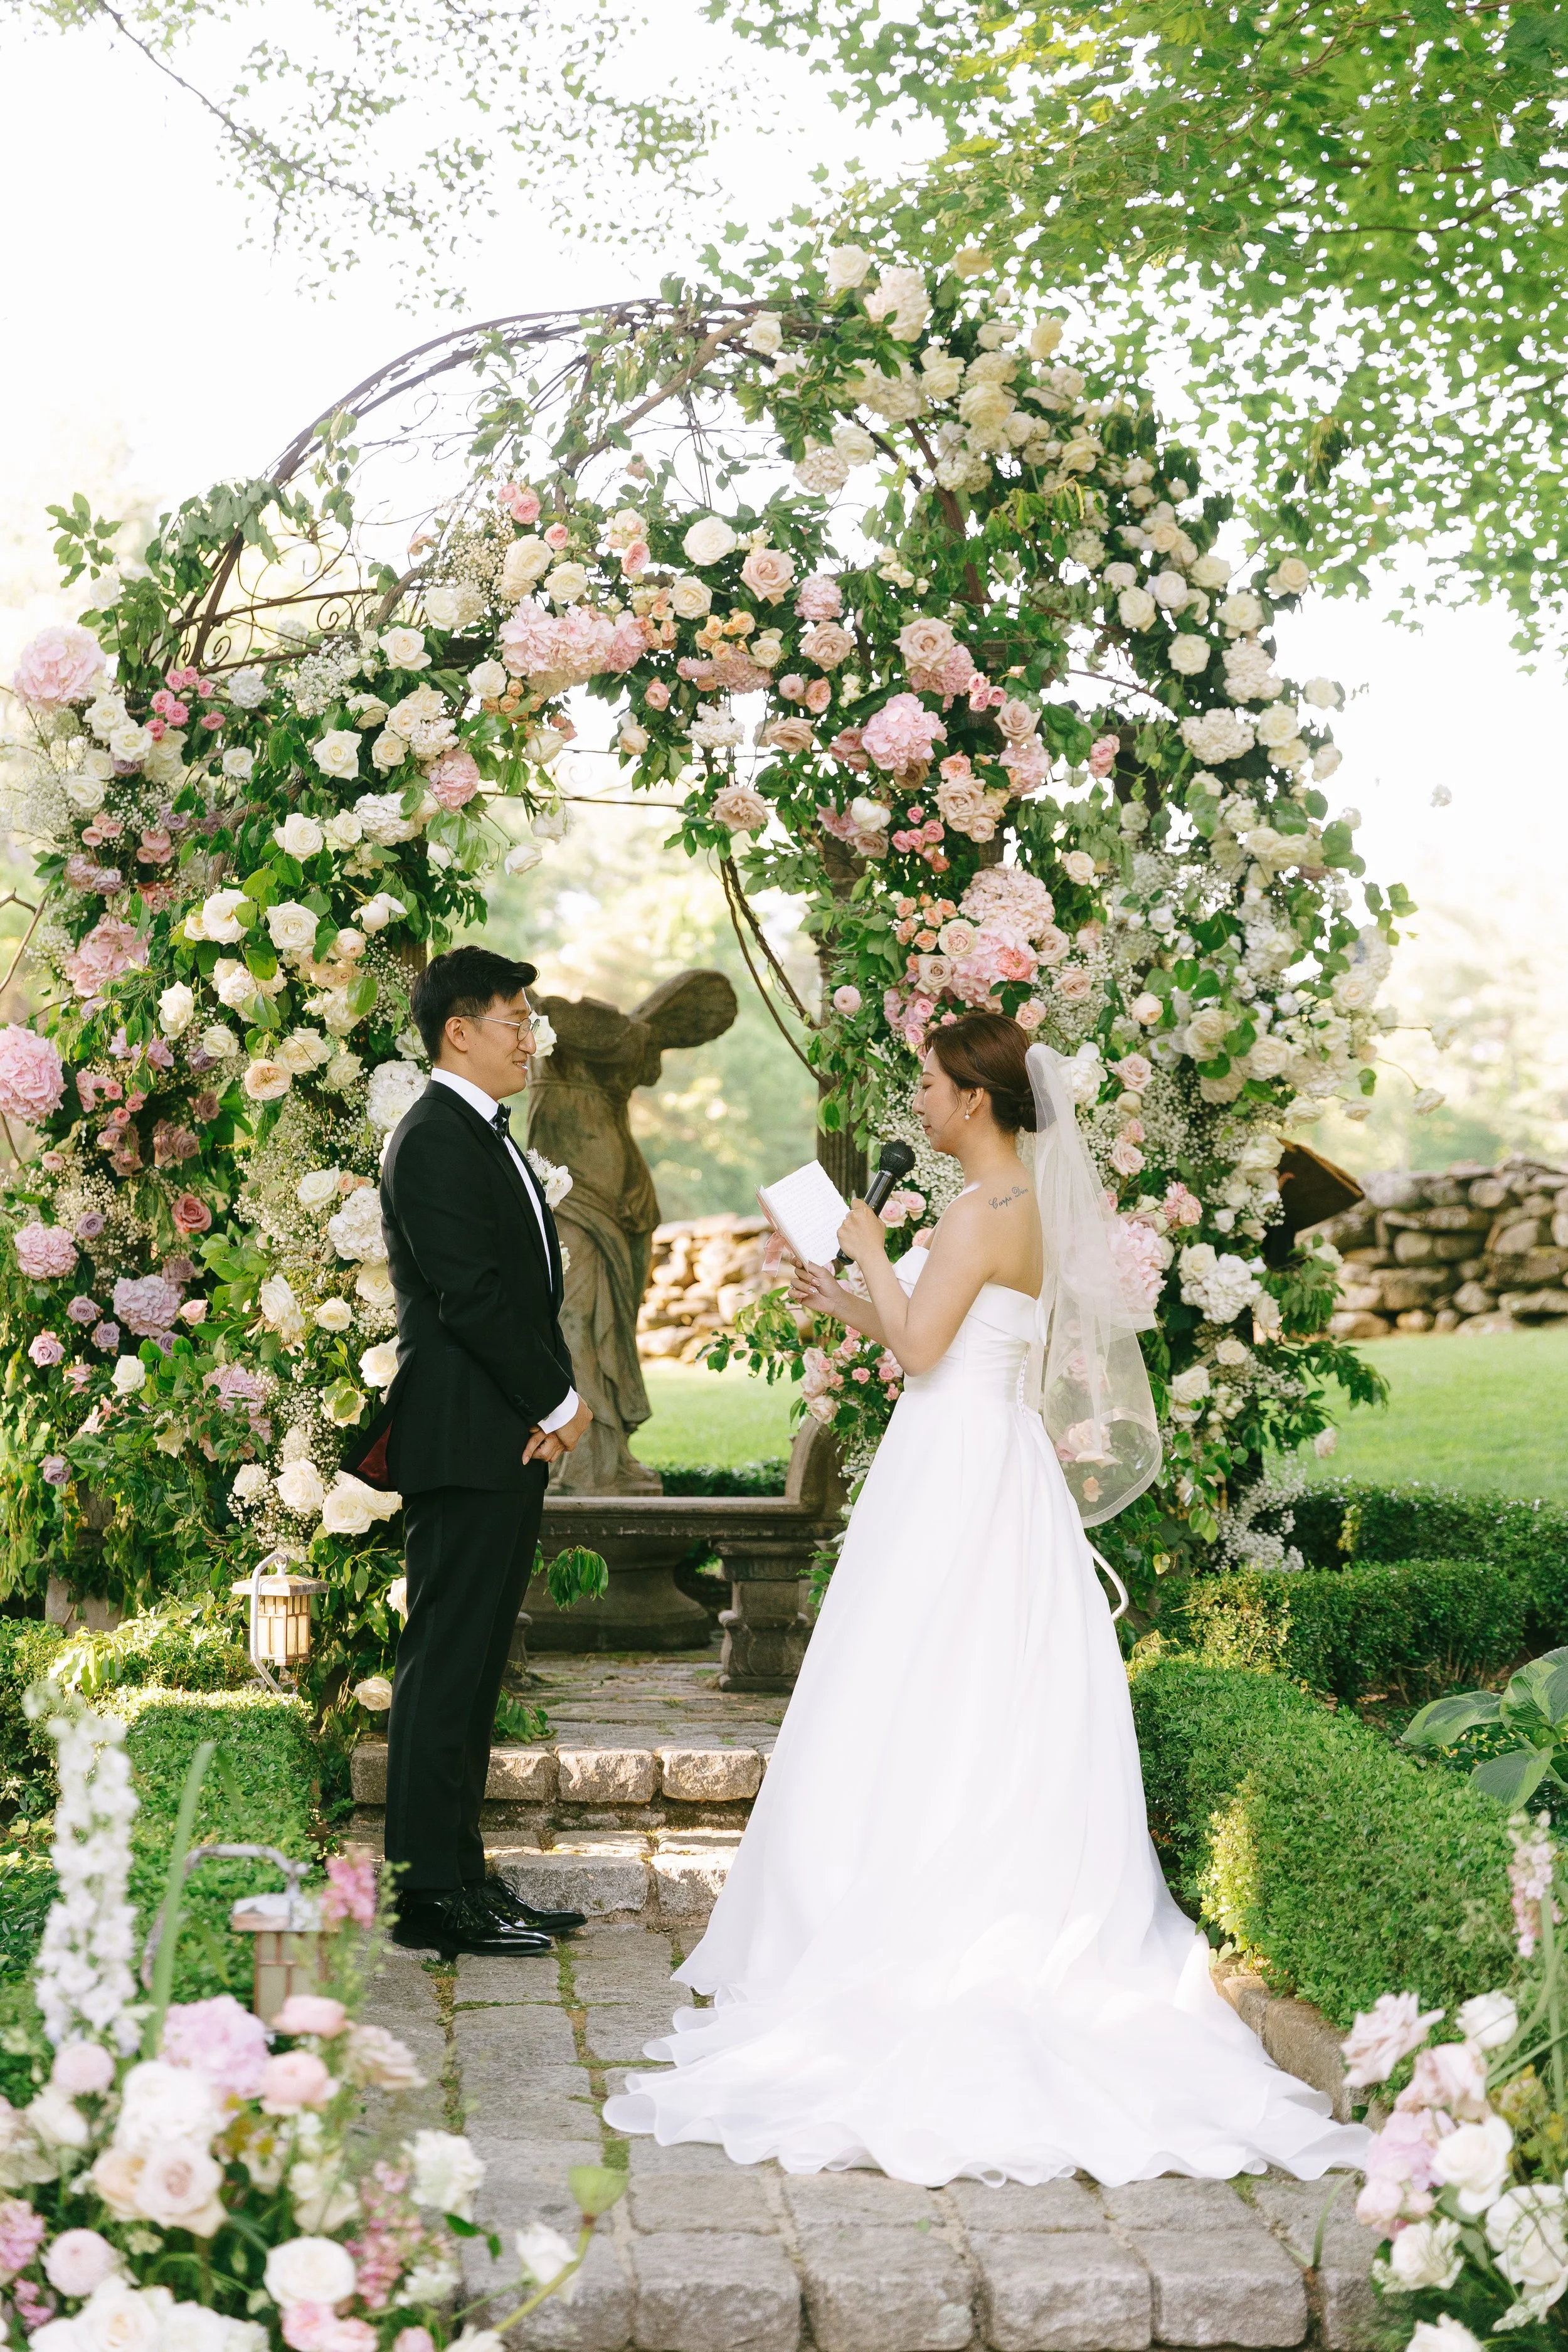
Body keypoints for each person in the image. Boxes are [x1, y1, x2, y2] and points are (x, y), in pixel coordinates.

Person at [604, 1012, 1369, 2185]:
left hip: (956, 1465)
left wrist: (865, 1244)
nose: (917, 1097)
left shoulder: (980, 1210)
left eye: (926, 1081)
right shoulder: (1019, 1209)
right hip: (977, 1453)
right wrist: (845, 1293)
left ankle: (894, 1895)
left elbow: (918, 1350)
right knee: (949, 1676)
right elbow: (940, 1340)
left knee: (916, 1675)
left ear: (973, 1098)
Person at [351, 945, 594, 1961]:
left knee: (474, 1665)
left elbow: (523, 1284)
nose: (529, 1037)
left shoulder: (479, 1133)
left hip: (503, 1433)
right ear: (460, 1027)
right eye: (515, 1019)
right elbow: (472, 1297)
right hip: (466, 1431)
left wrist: (553, 1401)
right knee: (444, 1665)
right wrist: (563, 1398)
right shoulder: (436, 1138)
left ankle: (464, 1875)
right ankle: (423, 1896)